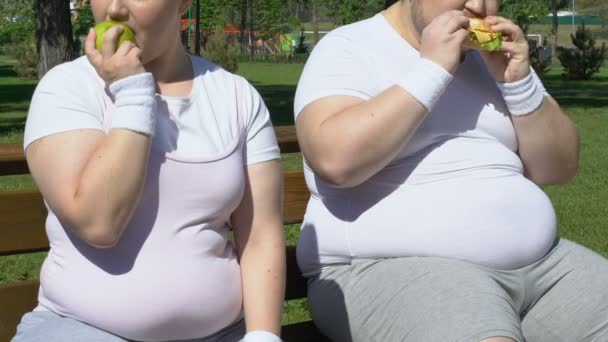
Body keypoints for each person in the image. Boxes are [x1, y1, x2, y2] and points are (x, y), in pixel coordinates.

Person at [293, 0, 608, 341]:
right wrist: (433, 69)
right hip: (393, 266)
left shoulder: (489, 59)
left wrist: (519, 83)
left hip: (543, 269)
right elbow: (335, 160)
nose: (477, 5)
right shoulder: (349, 46)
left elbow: (558, 168)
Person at [13, 1, 285, 341]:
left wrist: (262, 336)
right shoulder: (66, 88)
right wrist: (133, 93)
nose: (114, 8)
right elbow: (98, 222)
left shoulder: (236, 97)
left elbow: (260, 237)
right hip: (82, 329)